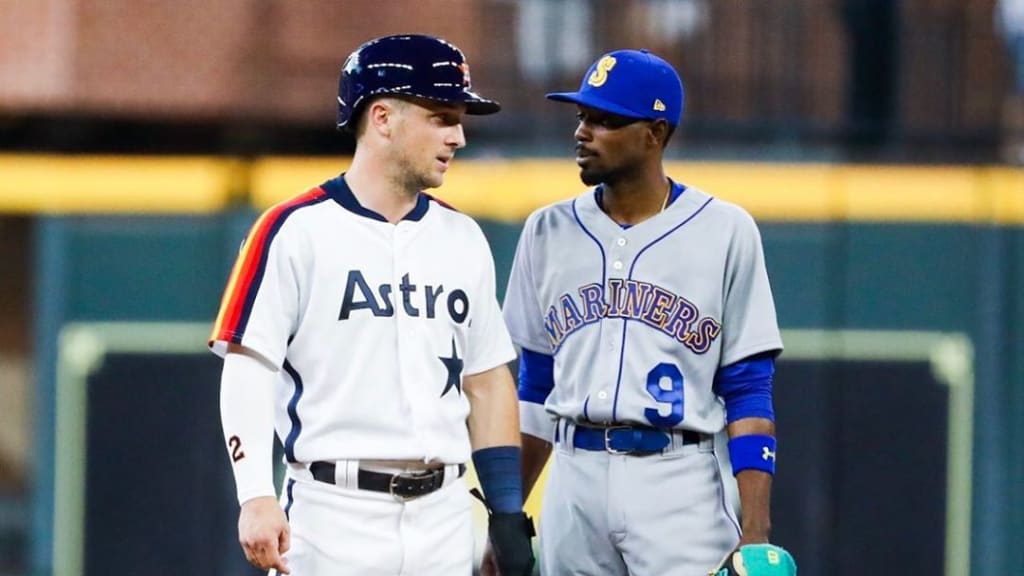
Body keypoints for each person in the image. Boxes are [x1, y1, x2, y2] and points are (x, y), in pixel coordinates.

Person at [209, 34, 534, 576]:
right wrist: (255, 494)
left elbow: (486, 379)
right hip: (333, 512)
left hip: (445, 514)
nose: (458, 135)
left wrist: (505, 512)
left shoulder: (464, 238)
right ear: (382, 118)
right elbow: (247, 366)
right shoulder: (292, 230)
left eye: (459, 119)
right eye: (441, 116)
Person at [495, 49, 796, 575]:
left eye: (605, 120)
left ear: (654, 133)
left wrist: (756, 535)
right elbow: (536, 387)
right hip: (574, 477)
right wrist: (507, 515)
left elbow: (748, 388)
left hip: (678, 480)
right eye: (582, 117)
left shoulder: (724, 230)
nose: (583, 132)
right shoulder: (546, 231)